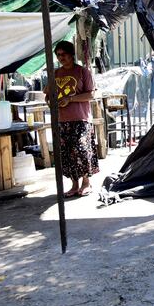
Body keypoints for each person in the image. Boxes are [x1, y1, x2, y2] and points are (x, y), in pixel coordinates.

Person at [45, 41, 99, 197]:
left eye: (64, 54)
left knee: (81, 150)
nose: (61, 57)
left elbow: (91, 94)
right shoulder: (55, 73)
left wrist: (71, 99)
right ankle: (74, 185)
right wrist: (50, 102)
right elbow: (48, 94)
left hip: (81, 118)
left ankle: (86, 183)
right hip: (62, 119)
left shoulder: (83, 72)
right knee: (67, 154)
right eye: (58, 55)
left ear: (71, 54)